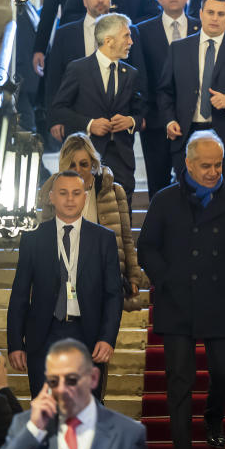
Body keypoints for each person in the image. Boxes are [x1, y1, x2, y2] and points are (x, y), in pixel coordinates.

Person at [137, 131, 225, 449]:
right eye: (206, 166)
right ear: (187, 163)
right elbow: (146, 248)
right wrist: (166, 278)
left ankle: (213, 417)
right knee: (179, 380)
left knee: (223, 372)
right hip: (177, 301)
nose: (214, 171)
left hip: (221, 301)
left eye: (218, 165)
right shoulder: (164, 200)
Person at [7, 170, 123, 401]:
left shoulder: (104, 238)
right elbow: (20, 293)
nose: (70, 199)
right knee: (45, 410)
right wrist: (15, 343)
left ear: (85, 197)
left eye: (76, 193)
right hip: (44, 334)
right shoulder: (33, 237)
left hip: (87, 334)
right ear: (52, 197)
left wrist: (107, 338)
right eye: (63, 193)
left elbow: (113, 294)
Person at [0, 339, 149, 449]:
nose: (61, 389)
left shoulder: (128, 434)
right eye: (53, 381)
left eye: (71, 380)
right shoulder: (24, 426)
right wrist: (34, 429)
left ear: (93, 378)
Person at [158, 0, 225, 189]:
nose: (215, 18)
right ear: (201, 13)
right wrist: (169, 120)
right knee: (185, 199)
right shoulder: (178, 48)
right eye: (210, 12)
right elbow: (164, 91)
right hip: (185, 134)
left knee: (224, 201)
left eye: (221, 14)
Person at [37, 132, 147, 313]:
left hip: (105, 276)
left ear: (94, 165)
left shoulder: (112, 191)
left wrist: (133, 277)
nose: (78, 169)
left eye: (84, 164)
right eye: (72, 164)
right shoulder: (53, 193)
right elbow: (44, 242)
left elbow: (126, 239)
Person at [50, 12, 147, 206]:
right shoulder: (78, 69)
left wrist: (132, 121)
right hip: (86, 158)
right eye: (126, 36)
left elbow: (141, 113)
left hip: (122, 159)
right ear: (109, 40)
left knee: (122, 218)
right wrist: (90, 124)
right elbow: (58, 109)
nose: (131, 42)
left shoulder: (131, 74)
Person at [136, 0, 201, 194]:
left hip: (194, 120)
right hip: (155, 121)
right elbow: (140, 75)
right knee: (158, 184)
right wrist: (142, 113)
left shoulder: (201, 28)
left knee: (194, 184)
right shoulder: (142, 31)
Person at [43, 0, 113, 134]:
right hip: (74, 119)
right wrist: (55, 119)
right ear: (84, 1)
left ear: (111, 0)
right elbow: (54, 79)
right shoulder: (64, 34)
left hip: (115, 123)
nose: (100, 0)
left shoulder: (126, 32)